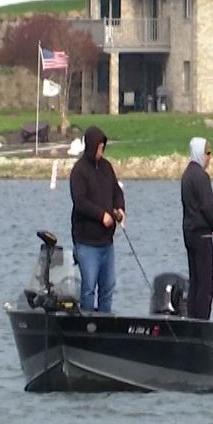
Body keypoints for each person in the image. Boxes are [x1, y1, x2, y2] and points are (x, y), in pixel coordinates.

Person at [69, 125, 125, 312]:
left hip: (106, 243)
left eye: (103, 147)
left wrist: (119, 209)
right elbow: (80, 202)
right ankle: (87, 323)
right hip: (86, 242)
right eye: (100, 147)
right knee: (88, 288)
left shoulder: (107, 167)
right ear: (92, 146)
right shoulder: (79, 171)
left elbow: (117, 191)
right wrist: (101, 215)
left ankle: (105, 322)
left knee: (108, 286)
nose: (102, 150)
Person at [181, 136, 213, 320]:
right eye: (208, 154)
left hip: (189, 234)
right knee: (205, 284)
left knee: (195, 281)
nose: (210, 158)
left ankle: (192, 318)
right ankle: (201, 321)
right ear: (200, 154)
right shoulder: (201, 176)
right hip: (202, 236)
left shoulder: (187, 175)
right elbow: (208, 208)